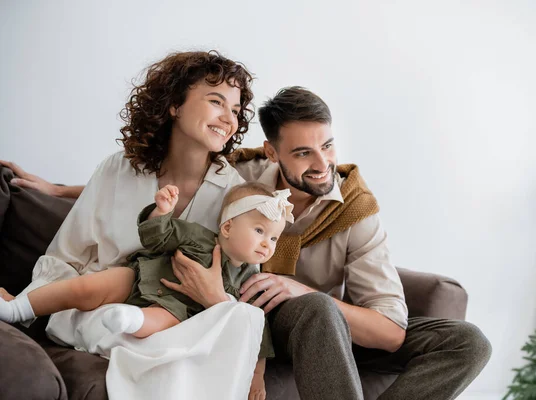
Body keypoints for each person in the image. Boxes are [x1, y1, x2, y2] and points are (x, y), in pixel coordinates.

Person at [2, 87, 493, 399]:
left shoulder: (357, 212)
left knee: (468, 342)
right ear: (272, 153)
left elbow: (389, 333)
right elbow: (164, 179)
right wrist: (56, 190)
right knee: (318, 311)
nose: (320, 163)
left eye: (328, 146)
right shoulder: (241, 176)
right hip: (267, 315)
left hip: (333, 323)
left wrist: (304, 290)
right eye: (302, 152)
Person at [1, 50, 274, 400]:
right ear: (175, 104)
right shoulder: (119, 170)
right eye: (216, 101)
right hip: (104, 306)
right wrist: (26, 302)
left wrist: (216, 302)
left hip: (183, 319)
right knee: (119, 327)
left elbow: (243, 290)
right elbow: (66, 255)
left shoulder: (235, 194)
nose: (228, 118)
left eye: (235, 110)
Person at [0, 181, 294, 398]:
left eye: (274, 238)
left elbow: (255, 330)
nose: (268, 243)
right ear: (228, 227)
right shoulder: (198, 237)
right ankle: (19, 307)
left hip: (176, 310)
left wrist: (257, 375)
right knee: (85, 287)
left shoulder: (248, 281)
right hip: (142, 277)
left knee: (162, 318)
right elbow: (159, 237)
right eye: (259, 231)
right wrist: (161, 212)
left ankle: (128, 320)